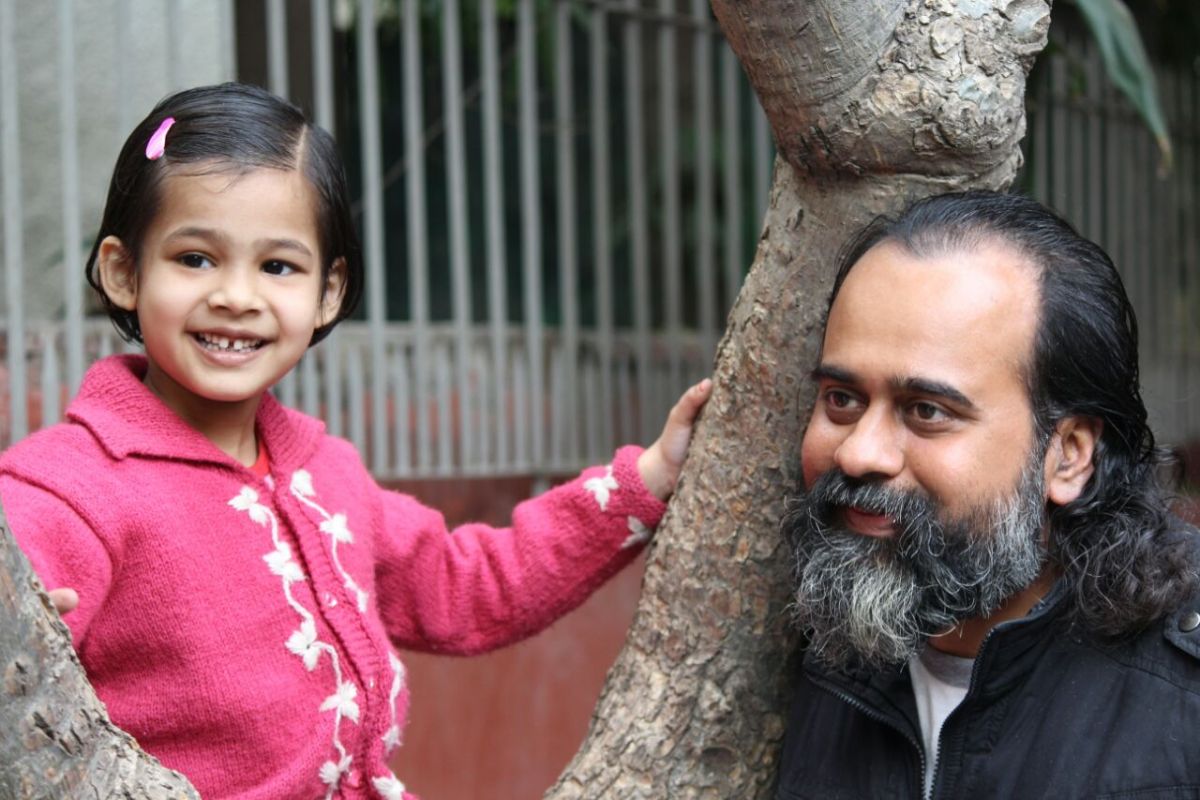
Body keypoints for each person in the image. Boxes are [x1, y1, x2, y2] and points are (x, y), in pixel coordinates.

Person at [0, 83, 711, 800]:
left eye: (278, 267)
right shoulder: (68, 488)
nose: (236, 296)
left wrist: (649, 476)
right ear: (124, 273)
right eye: (195, 258)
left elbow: (465, 585)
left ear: (328, 293)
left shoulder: (325, 473)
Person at [776, 190, 1200, 800]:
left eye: (926, 411)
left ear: (1067, 455)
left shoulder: (1181, 702)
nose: (858, 453)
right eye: (841, 400)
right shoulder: (806, 644)